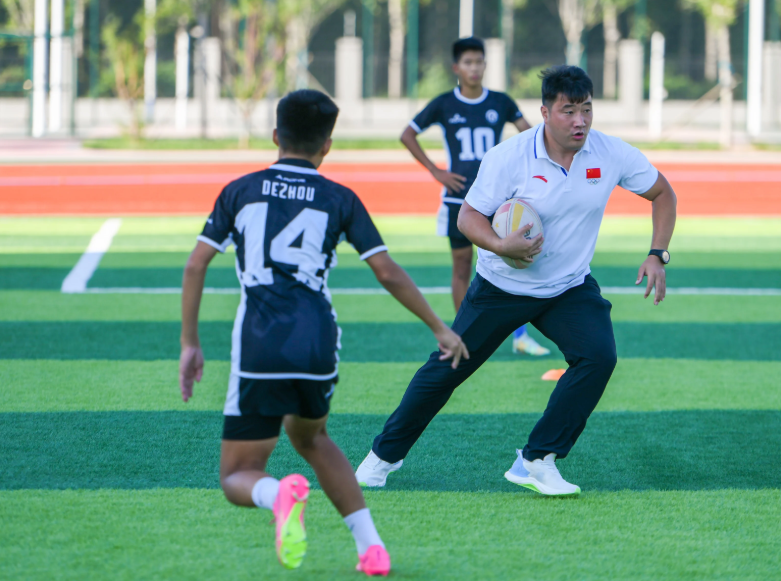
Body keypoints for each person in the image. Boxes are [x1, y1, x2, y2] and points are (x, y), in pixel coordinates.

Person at [178, 89, 468, 575]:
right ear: (327, 145)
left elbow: (195, 265)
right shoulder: (340, 198)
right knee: (312, 438)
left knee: (237, 475)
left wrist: (190, 343)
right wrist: (440, 327)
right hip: (318, 341)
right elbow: (387, 271)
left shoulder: (240, 190)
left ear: (276, 135)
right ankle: (371, 547)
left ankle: (277, 495)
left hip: (261, 342)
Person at [356, 65, 677, 495]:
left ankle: (537, 459)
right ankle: (382, 458)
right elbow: (468, 216)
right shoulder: (509, 157)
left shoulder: (611, 153)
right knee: (446, 369)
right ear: (545, 112)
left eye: (586, 109)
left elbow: (663, 192)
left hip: (568, 287)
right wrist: (499, 245)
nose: (580, 121)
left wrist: (658, 253)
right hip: (501, 287)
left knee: (598, 357)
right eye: (568, 111)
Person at [401, 36, 551, 357]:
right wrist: (436, 171)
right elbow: (407, 134)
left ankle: (520, 336)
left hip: (497, 200)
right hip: (459, 198)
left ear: (485, 65)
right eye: (467, 62)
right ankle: (463, 333)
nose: (474, 68)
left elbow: (532, 136)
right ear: (456, 67)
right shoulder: (444, 103)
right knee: (461, 266)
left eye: (479, 62)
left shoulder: (500, 101)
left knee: (512, 263)